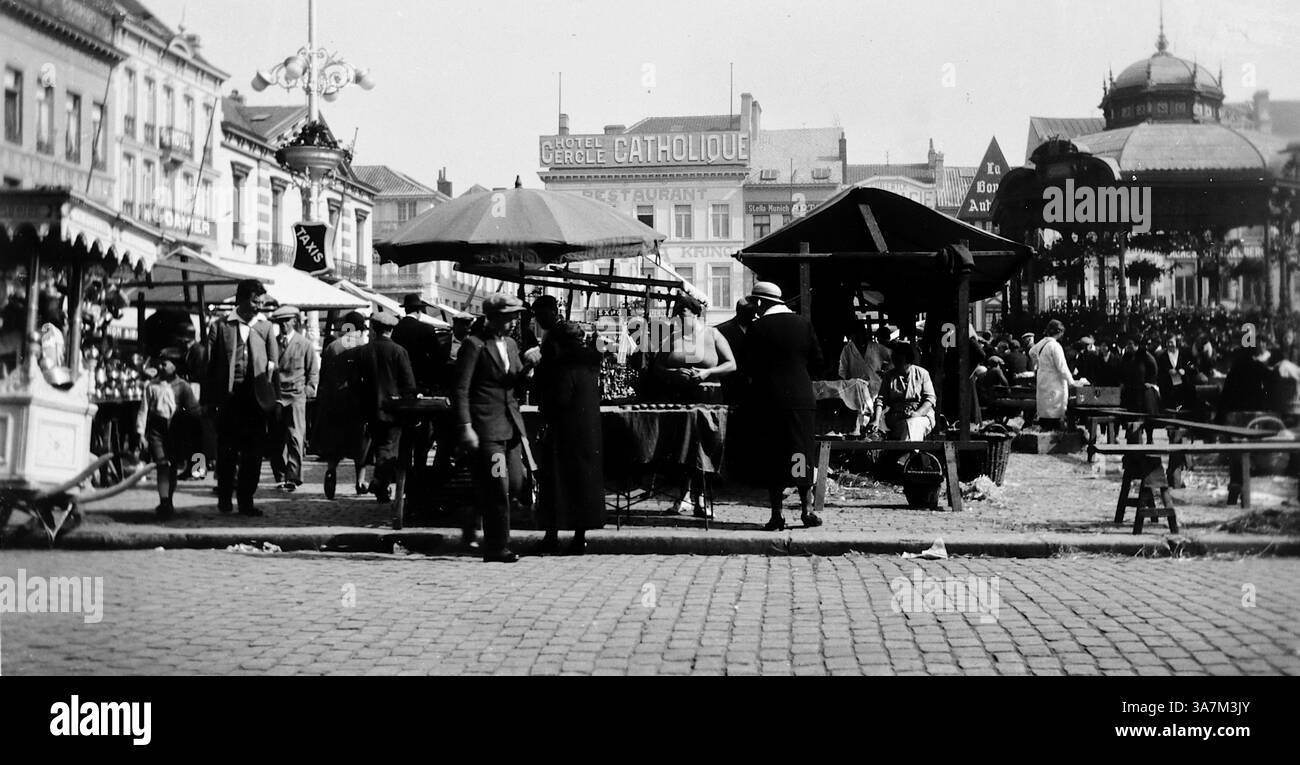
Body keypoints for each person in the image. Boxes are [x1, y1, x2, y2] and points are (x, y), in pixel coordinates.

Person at [454, 295, 538, 563]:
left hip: (511, 426)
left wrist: (529, 368)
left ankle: (471, 512)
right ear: (494, 318)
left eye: (515, 316)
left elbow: (512, 383)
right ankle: (497, 547)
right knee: (498, 486)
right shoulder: (474, 345)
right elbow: (460, 390)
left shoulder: (512, 345)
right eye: (510, 316)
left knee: (515, 483)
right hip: (486, 428)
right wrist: (466, 426)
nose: (514, 321)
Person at [743, 282, 823, 531]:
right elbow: (818, 361)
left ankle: (777, 514)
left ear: (760, 302)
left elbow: (748, 365)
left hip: (770, 399)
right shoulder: (803, 324)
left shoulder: (758, 327)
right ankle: (806, 510)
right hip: (800, 398)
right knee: (800, 452)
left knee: (774, 455)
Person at [648, 293, 736, 516]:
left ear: (696, 314)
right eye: (676, 316)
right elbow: (656, 368)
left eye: (683, 315)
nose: (679, 320)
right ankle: (684, 495)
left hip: (708, 398)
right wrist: (673, 373)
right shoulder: (671, 338)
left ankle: (702, 499)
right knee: (681, 447)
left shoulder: (713, 334)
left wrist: (708, 372)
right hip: (680, 397)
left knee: (705, 447)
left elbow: (731, 364)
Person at [205, 279, 278, 516]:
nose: (259, 306)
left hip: (255, 401)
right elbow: (209, 366)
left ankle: (246, 500)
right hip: (229, 399)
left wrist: (274, 401)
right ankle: (225, 498)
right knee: (227, 452)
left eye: (261, 302)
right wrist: (208, 401)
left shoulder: (266, 328)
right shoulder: (221, 326)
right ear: (242, 300)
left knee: (253, 453)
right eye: (255, 301)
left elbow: (273, 368)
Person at [535, 322, 604, 556]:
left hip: (563, 431)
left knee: (556, 483)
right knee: (583, 484)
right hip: (587, 431)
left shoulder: (561, 365)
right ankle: (579, 538)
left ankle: (551, 536)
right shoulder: (591, 362)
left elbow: (559, 400)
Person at [353, 309, 417, 503]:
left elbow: (355, 382)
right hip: (393, 409)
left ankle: (380, 486)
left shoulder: (362, 351)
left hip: (369, 409)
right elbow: (409, 384)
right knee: (388, 449)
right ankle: (379, 483)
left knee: (379, 447)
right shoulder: (399, 351)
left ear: (374, 329)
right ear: (391, 330)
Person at [136, 348, 201, 519]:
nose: (161, 366)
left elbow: (194, 410)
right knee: (162, 464)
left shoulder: (183, 387)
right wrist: (140, 432)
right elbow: (143, 410)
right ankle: (164, 500)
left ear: (175, 366)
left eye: (165, 363)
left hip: (175, 430)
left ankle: (168, 500)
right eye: (160, 363)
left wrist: (191, 423)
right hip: (157, 430)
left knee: (172, 467)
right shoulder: (152, 386)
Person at [314, 311, 370, 500]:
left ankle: (331, 472)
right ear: (361, 328)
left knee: (335, 441)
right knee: (360, 443)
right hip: (357, 402)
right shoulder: (364, 347)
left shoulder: (332, 347)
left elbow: (324, 377)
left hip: (334, 401)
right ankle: (360, 481)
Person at [392, 293, 447, 477]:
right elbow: (438, 361)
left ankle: (404, 471)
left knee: (405, 435)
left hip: (402, 390)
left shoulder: (396, 330)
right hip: (423, 387)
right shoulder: (426, 329)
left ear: (406, 309)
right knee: (424, 434)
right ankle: (420, 470)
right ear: (419, 311)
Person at [267, 306, 319, 492]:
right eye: (280, 322)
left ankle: (294, 477)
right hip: (278, 396)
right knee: (277, 437)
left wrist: (308, 389)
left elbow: (313, 371)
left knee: (296, 437)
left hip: (297, 396)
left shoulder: (304, 344)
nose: (283, 325)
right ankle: (280, 475)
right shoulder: (272, 344)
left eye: (286, 321)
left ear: (294, 322)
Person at [871, 341, 936, 441]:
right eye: (894, 359)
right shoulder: (889, 376)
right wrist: (876, 420)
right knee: (905, 425)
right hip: (896, 418)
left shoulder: (922, 374)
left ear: (908, 360)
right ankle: (908, 453)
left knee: (912, 424)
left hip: (922, 417)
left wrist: (917, 413)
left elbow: (930, 399)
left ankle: (906, 453)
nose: (896, 362)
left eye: (899, 359)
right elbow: (881, 400)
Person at [1029, 320, 1083, 431]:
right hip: (1054, 382)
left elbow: (1031, 352)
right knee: (1054, 413)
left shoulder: (1042, 343)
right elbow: (1062, 367)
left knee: (1045, 411)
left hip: (1043, 379)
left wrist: (1039, 364)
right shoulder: (1055, 346)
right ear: (1059, 332)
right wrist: (1071, 382)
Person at [714, 297, 757, 406]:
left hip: (754, 386)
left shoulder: (759, 328)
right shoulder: (721, 330)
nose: (753, 315)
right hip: (730, 384)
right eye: (749, 312)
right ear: (739, 311)